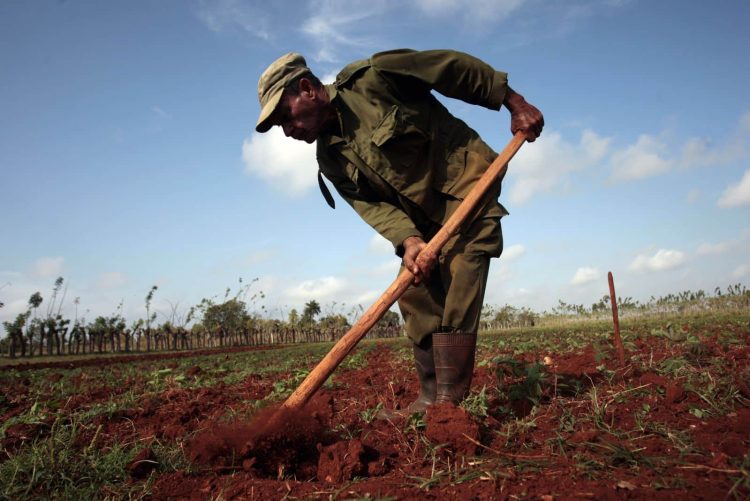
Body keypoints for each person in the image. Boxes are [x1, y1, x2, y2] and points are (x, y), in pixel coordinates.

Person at [255, 49, 543, 417]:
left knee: (464, 265)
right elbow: (373, 208)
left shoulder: (374, 78)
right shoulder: (329, 159)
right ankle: (428, 397)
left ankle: (447, 405)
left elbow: (450, 70)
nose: (288, 130)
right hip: (421, 222)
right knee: (415, 290)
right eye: (280, 125)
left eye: (285, 116)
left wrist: (514, 103)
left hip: (466, 185)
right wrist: (409, 241)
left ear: (307, 89)